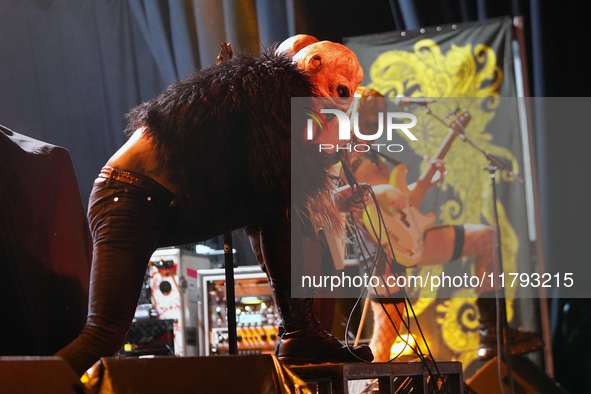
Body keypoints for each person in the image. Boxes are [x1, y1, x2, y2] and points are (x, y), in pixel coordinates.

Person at [54, 37, 373, 376]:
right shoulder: (270, 89)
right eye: (341, 92)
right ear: (313, 66)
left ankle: (300, 330)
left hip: (160, 201)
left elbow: (267, 188)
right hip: (127, 196)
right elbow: (278, 177)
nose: (342, 105)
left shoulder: (269, 101)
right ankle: (24, 383)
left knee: (274, 206)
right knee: (103, 336)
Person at [349, 87, 542, 362]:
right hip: (378, 246)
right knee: (389, 325)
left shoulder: (376, 155)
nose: (376, 122)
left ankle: (493, 332)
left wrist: (428, 182)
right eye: (370, 116)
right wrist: (383, 193)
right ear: (354, 115)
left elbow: (400, 200)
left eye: (380, 115)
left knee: (486, 238)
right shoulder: (343, 154)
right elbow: (348, 194)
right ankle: (372, 388)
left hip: (409, 233)